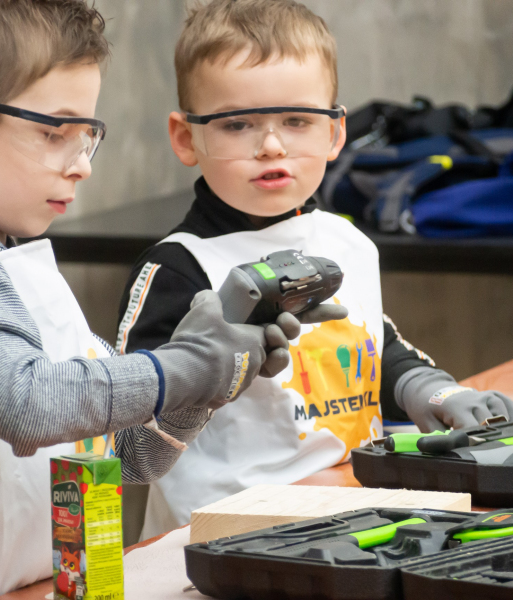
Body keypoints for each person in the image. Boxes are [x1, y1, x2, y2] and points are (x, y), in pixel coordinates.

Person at [0, 1, 316, 598]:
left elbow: (130, 456)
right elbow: (23, 403)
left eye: (88, 137)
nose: (82, 166)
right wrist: (180, 368)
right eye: (56, 132)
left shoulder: (19, 264)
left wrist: (211, 377)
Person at [116, 0, 513, 539]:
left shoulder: (346, 241)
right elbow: (130, 451)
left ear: (334, 132)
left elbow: (375, 345)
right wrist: (204, 372)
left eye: (297, 120)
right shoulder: (177, 268)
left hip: (359, 514)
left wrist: (435, 393)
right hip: (228, 540)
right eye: (237, 123)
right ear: (187, 137)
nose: (271, 145)